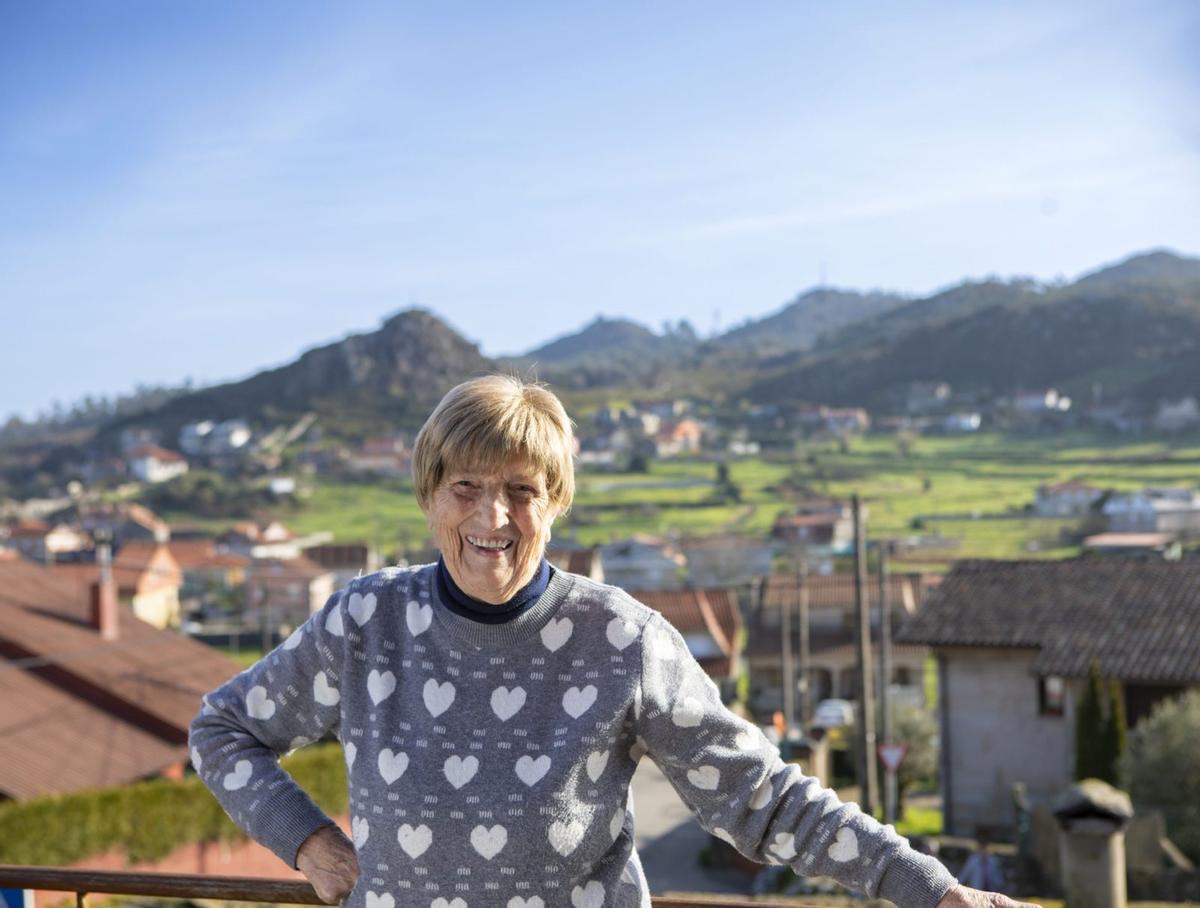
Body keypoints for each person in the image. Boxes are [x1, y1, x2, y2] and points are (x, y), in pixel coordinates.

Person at [189, 375, 1033, 908]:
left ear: (555, 503)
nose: (492, 518)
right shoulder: (364, 625)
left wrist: (930, 890)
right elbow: (222, 730)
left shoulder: (620, 640)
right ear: (429, 498)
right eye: (466, 488)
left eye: (521, 491)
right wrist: (306, 841)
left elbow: (760, 796)